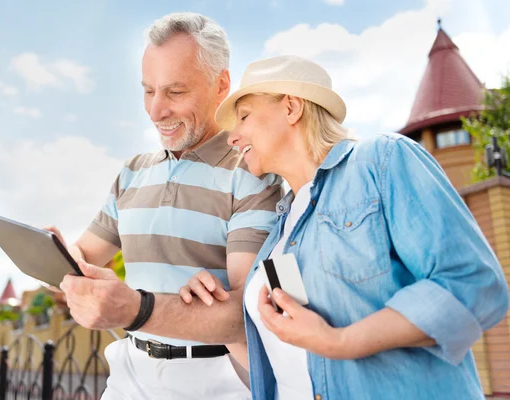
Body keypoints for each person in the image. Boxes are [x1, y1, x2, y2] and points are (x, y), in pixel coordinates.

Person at [179, 55, 510, 400]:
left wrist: (339, 342)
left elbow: (471, 284)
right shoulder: (281, 229)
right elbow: (291, 357)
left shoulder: (381, 161)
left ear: (291, 108)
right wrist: (216, 318)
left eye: (244, 116)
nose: (233, 138)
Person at [45, 12, 282, 400]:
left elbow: (246, 313)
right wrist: (55, 254)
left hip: (216, 382)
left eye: (174, 92)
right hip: (128, 375)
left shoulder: (253, 174)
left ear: (221, 85)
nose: (156, 111)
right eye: (148, 91)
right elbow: (85, 254)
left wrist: (135, 309)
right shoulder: (133, 172)